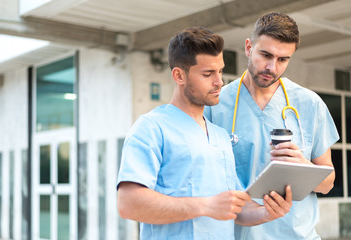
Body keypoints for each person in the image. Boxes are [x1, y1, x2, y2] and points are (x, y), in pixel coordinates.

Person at [117, 26, 292, 239]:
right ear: (179, 75)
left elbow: (236, 209)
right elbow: (128, 204)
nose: (219, 82)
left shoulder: (220, 137)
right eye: (208, 74)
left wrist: (268, 212)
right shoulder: (151, 128)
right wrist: (206, 205)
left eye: (220, 71)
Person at [204, 12, 339, 239]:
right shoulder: (215, 104)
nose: (271, 67)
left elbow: (327, 184)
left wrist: (306, 167)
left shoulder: (310, 104)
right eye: (265, 54)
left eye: (283, 59)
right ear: (248, 48)